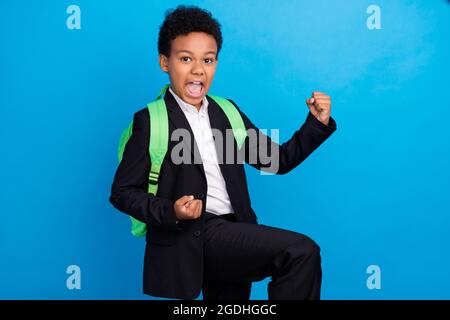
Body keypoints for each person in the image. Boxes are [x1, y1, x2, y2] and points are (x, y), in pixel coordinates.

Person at [109, 5, 337, 300]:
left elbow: (277, 161)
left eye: (208, 59)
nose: (197, 70)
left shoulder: (227, 112)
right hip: (192, 235)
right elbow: (122, 192)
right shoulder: (150, 121)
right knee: (300, 251)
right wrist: (171, 211)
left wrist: (316, 124)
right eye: (185, 58)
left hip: (236, 231)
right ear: (165, 62)